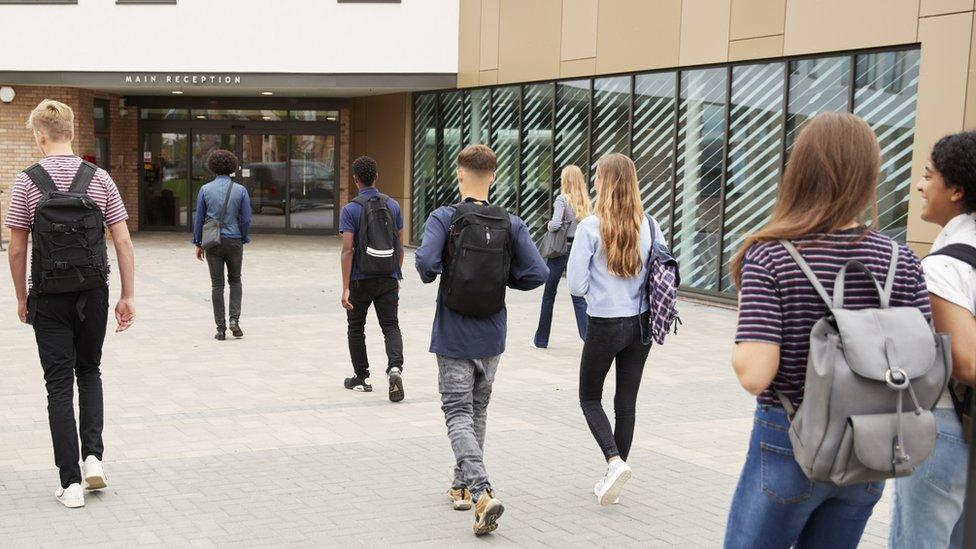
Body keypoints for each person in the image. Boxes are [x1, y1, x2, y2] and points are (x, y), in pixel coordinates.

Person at [724, 112, 932, 548]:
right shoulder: (901, 261)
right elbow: (926, 369)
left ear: (799, 170)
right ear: (868, 175)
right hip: (871, 444)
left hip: (791, 438)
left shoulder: (771, 256)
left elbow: (754, 374)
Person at [5, 99, 136, 508]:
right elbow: (123, 241)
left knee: (58, 384)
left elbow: (15, 249)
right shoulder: (100, 179)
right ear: (73, 133)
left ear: (39, 135)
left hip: (48, 296)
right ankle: (93, 458)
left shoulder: (27, 182)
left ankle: (70, 483)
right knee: (90, 370)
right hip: (93, 291)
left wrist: (21, 297)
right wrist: (127, 295)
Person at [415, 144, 548, 535]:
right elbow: (537, 273)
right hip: (492, 335)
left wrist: (442, 274)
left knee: (457, 413)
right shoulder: (512, 223)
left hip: (454, 332)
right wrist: (501, 278)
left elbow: (425, 262)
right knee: (477, 412)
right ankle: (460, 487)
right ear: (493, 175)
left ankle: (481, 491)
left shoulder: (445, 217)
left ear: (459, 174)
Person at [889, 131, 976, 549]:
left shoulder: (945, 265)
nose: (921, 185)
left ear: (957, 189)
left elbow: (965, 361)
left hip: (945, 424)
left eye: (928, 175)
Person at [567, 153, 662, 506]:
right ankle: (614, 476)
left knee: (589, 397)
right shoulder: (651, 225)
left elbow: (576, 286)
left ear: (603, 183)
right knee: (626, 403)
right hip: (642, 324)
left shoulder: (591, 227)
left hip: (605, 323)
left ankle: (613, 461)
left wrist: (601, 288)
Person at [339, 155, 406, 402]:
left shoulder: (350, 209)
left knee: (356, 327)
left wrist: (345, 287)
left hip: (360, 279)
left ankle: (362, 378)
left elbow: (347, 249)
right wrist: (395, 275)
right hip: (387, 277)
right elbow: (399, 246)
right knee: (390, 325)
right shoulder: (394, 206)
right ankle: (395, 368)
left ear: (355, 179)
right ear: (377, 176)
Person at [192, 149, 251, 341]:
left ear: (213, 167)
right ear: (232, 166)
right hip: (234, 240)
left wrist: (198, 242)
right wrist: (243, 237)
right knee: (235, 280)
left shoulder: (205, 190)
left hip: (212, 242)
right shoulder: (240, 190)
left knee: (217, 285)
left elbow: (199, 218)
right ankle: (234, 319)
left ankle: (220, 328)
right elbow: (246, 219)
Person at [532, 164, 589, 348]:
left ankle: (541, 340)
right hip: (577, 250)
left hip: (559, 251)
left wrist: (549, 224)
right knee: (578, 295)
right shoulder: (585, 201)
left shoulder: (562, 200)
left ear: (565, 180)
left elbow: (555, 225)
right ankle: (589, 339)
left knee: (549, 295)